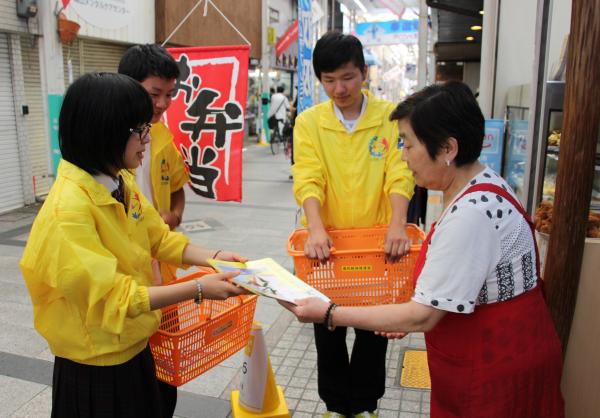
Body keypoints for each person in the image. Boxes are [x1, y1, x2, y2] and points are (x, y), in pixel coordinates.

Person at [283, 81, 565, 418]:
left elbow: (423, 314)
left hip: (493, 370)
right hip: (507, 351)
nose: (402, 156)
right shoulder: (479, 183)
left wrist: (329, 313)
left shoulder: (471, 214)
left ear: (447, 149)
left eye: (408, 144)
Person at [19, 72, 247, 418]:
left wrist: (214, 259)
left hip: (134, 345)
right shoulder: (68, 210)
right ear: (105, 132)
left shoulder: (119, 180)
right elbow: (117, 297)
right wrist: (199, 288)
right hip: (96, 363)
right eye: (139, 130)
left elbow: (158, 238)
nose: (146, 139)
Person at [292, 31, 415, 418]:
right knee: (326, 329)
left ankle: (365, 406)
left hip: (377, 244)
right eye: (329, 80)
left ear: (364, 72)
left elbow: (400, 172)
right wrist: (315, 228)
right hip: (326, 247)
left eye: (347, 77)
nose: (339, 88)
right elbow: (308, 176)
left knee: (373, 331)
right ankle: (334, 406)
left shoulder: (388, 118)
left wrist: (398, 224)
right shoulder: (310, 122)